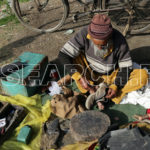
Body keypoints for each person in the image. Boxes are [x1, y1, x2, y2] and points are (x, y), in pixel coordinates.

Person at [57, 14, 148, 110]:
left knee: (143, 77)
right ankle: (95, 91)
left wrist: (115, 86)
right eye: (96, 45)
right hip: (89, 73)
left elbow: (126, 67)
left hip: (112, 75)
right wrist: (78, 77)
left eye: (103, 45)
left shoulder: (119, 40)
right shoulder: (84, 33)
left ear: (109, 38)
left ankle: (103, 93)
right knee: (74, 58)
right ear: (90, 37)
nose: (99, 48)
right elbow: (63, 55)